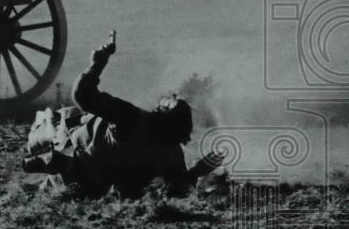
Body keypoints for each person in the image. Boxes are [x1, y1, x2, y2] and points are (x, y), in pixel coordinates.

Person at [22, 32, 222, 198]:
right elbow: (178, 189)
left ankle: (47, 167)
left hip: (73, 161)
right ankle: (47, 175)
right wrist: (199, 170)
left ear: (164, 114)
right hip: (90, 188)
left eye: (171, 100)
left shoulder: (130, 119)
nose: (171, 95)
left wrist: (97, 64)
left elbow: (82, 94)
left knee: (53, 125)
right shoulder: (171, 153)